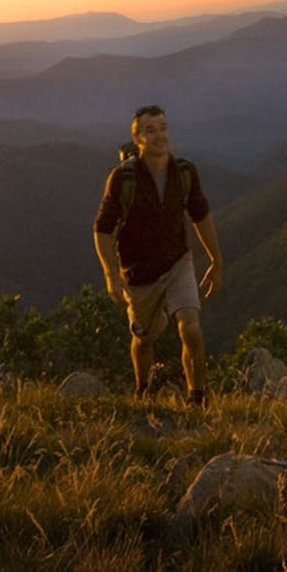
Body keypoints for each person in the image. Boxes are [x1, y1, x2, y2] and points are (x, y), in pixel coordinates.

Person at [92, 104, 225, 404]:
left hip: (178, 262)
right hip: (138, 273)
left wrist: (216, 261)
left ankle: (197, 398)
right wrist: (111, 275)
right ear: (137, 139)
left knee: (190, 324)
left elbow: (201, 216)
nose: (159, 135)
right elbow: (102, 230)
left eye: (163, 128)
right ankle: (143, 391)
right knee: (144, 338)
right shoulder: (122, 179)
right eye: (150, 130)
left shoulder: (184, 172)